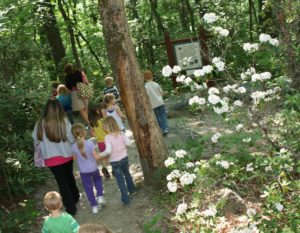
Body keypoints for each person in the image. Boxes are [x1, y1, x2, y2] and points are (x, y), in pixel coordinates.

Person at [32, 99, 80, 215]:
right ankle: (75, 197)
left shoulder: (39, 123)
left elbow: (35, 140)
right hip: (66, 155)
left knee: (61, 182)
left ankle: (71, 208)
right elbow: (71, 138)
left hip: (50, 159)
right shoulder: (63, 120)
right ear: (59, 108)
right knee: (69, 176)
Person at [100, 116, 136, 205]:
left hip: (115, 162)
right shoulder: (121, 133)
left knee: (120, 180)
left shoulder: (107, 137)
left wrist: (100, 155)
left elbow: (108, 151)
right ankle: (132, 189)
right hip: (124, 158)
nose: (103, 128)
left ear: (108, 126)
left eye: (104, 126)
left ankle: (126, 199)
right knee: (127, 174)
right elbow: (129, 143)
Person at [71, 123, 106, 214]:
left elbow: (74, 159)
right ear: (84, 132)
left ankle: (94, 206)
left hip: (83, 171)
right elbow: (96, 157)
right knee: (98, 181)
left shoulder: (73, 147)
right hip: (93, 168)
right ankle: (100, 196)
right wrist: (104, 155)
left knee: (88, 188)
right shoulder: (90, 143)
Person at [89, 104, 111, 178]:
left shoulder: (92, 122)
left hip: (100, 142)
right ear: (97, 112)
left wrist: (97, 135)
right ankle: (115, 169)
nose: (103, 110)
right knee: (112, 155)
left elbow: (91, 133)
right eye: (101, 109)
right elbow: (108, 130)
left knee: (105, 157)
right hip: (108, 141)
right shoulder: (103, 120)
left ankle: (104, 168)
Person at [144, 70, 168, 135]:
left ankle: (160, 128)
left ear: (144, 78)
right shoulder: (156, 84)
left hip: (152, 104)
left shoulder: (145, 87)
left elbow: (146, 96)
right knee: (163, 115)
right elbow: (161, 93)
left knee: (157, 117)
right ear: (152, 76)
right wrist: (165, 92)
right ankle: (165, 128)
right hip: (160, 102)